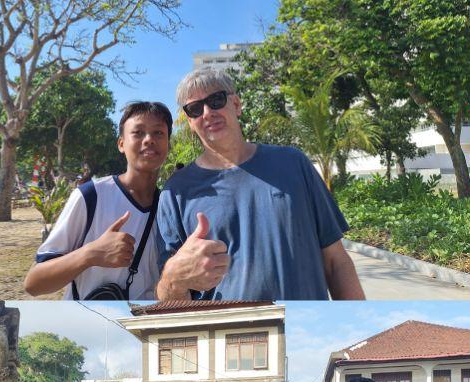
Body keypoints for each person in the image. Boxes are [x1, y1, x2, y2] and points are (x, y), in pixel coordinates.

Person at [156, 67, 364, 301]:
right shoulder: (176, 194)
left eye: (216, 100)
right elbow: (167, 294)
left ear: (236, 105)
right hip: (230, 333)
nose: (207, 113)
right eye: (195, 109)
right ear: (191, 122)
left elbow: (336, 262)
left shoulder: (293, 164)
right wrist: (173, 279)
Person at [25, 102, 171, 300]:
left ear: (168, 144)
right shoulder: (91, 196)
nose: (149, 140)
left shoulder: (169, 208)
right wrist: (91, 253)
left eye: (158, 133)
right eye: (138, 132)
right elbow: (34, 283)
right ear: (121, 144)